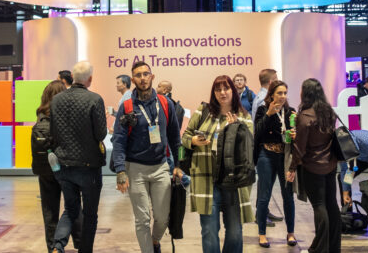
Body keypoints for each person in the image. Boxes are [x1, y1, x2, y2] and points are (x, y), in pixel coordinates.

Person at [113, 61, 182, 253]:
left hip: (161, 167)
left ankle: (154, 241)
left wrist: (178, 164)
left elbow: (176, 138)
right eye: (138, 75)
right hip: (135, 169)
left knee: (162, 218)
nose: (142, 78)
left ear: (152, 76)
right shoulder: (127, 106)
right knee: (142, 219)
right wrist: (120, 170)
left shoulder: (165, 103)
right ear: (133, 79)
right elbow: (118, 140)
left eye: (146, 74)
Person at [181, 75, 254, 253]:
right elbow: (185, 137)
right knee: (209, 231)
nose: (222, 93)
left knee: (235, 232)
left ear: (233, 91)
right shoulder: (203, 111)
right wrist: (194, 141)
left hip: (234, 183)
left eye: (226, 88)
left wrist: (235, 129)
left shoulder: (244, 117)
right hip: (206, 180)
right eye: (218, 89)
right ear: (213, 92)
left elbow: (249, 148)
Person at [50, 61, 107, 253]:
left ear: (72, 77)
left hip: (65, 164)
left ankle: (58, 246)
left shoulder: (56, 100)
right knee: (90, 215)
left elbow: (54, 132)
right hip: (89, 166)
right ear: (89, 79)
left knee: (71, 209)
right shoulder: (94, 100)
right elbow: (101, 134)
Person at [286, 78, 340, 253]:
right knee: (332, 204)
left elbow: (299, 148)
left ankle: (320, 248)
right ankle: (332, 247)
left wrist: (292, 167)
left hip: (312, 167)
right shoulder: (329, 113)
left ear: (305, 93)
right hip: (330, 165)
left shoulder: (305, 117)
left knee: (319, 205)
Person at [32, 80, 81, 253]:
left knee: (49, 211)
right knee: (73, 207)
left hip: (45, 170)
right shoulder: (66, 114)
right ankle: (80, 243)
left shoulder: (40, 117)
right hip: (66, 169)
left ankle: (53, 248)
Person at [253, 80, 297, 248]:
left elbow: (297, 135)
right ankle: (262, 234)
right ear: (271, 94)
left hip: (284, 157)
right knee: (264, 196)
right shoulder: (263, 110)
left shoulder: (290, 112)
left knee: (288, 196)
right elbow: (258, 133)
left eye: (285, 93)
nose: (283, 96)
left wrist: (295, 134)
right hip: (266, 155)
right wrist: (269, 114)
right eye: (279, 93)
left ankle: (291, 233)